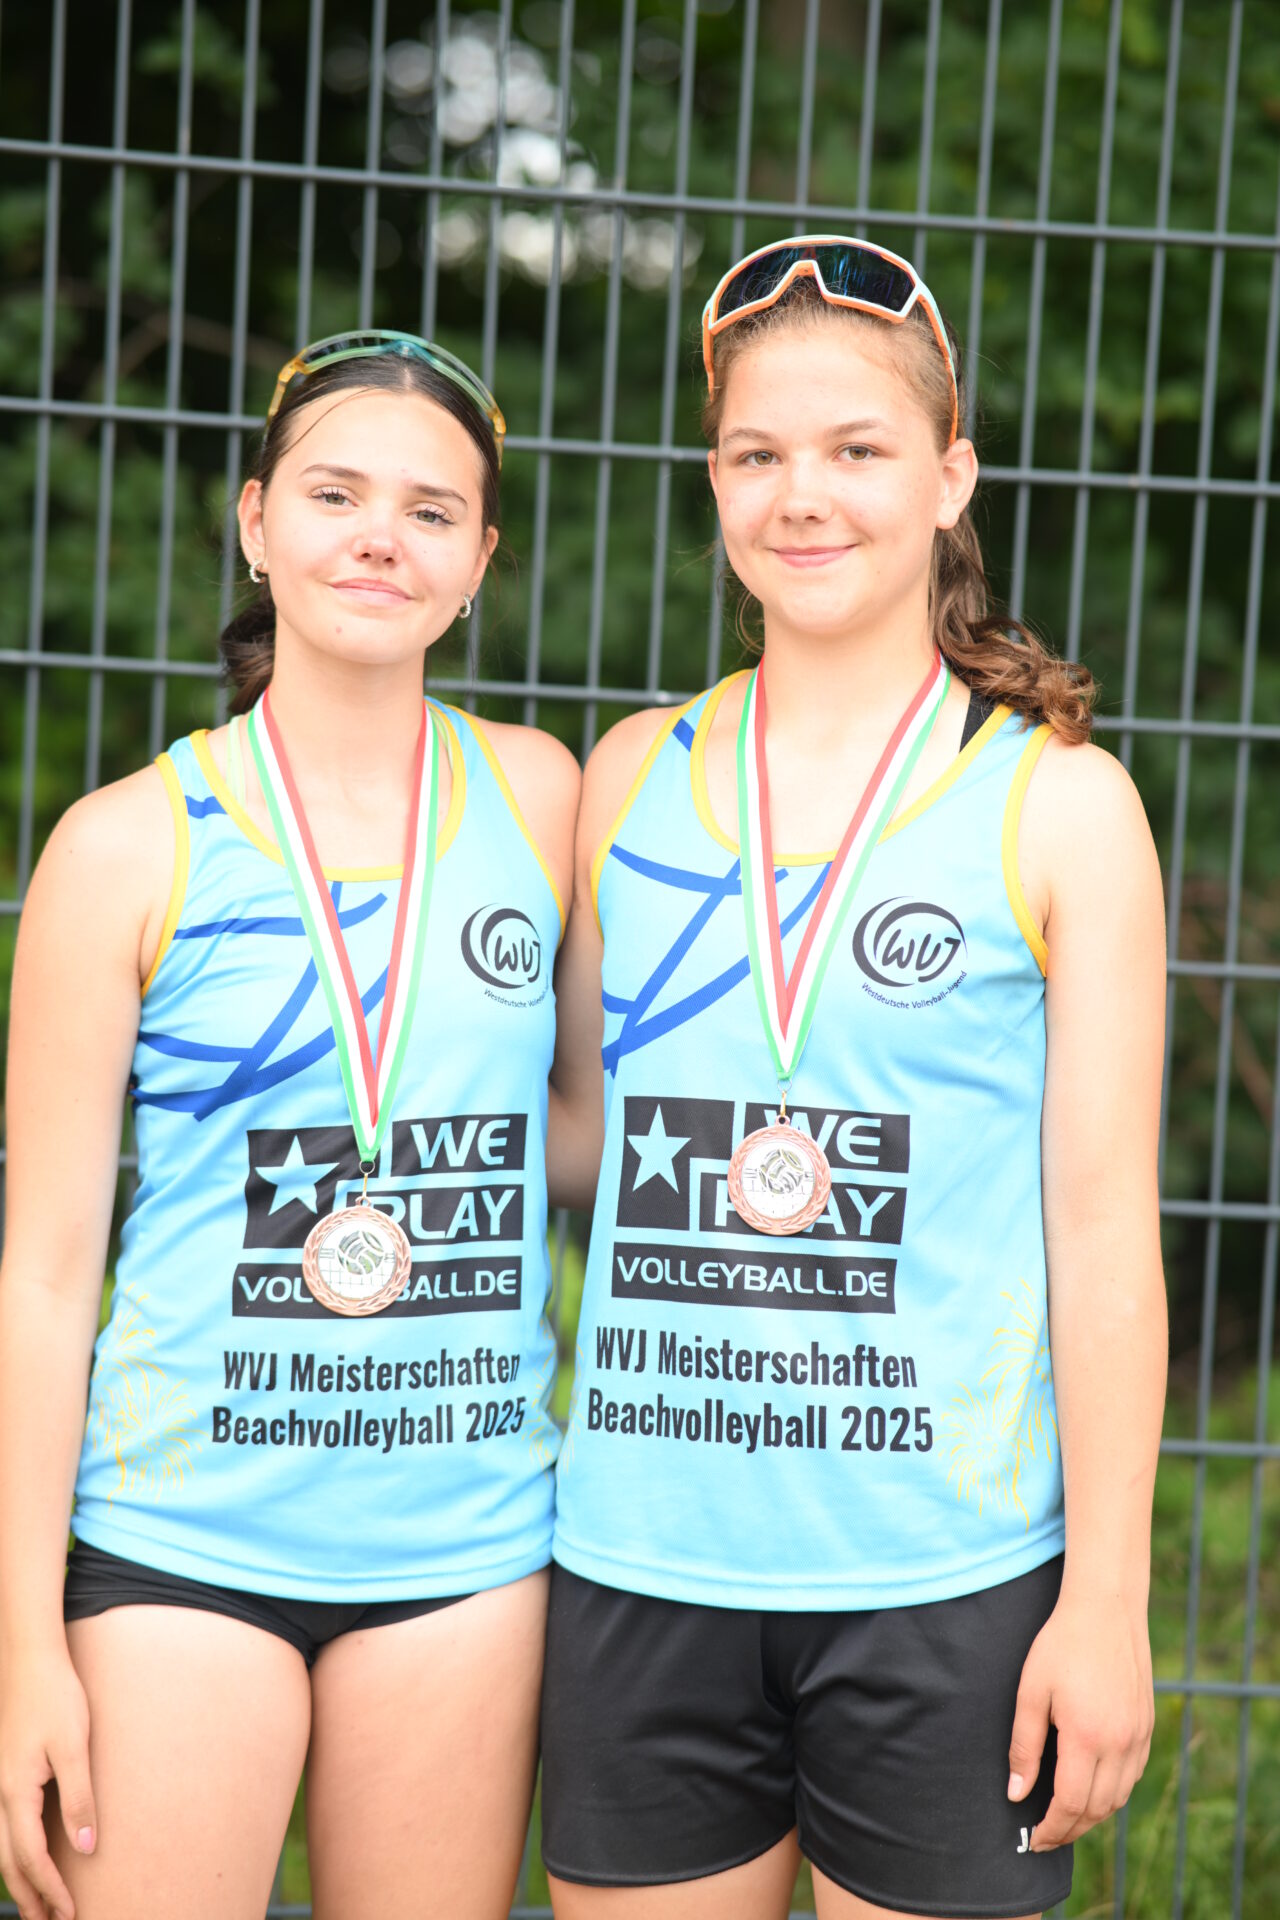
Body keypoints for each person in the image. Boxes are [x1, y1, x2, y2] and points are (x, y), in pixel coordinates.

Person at [543, 238, 1167, 1920]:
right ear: (716, 482)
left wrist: (1106, 1600)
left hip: (945, 1582)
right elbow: (577, 1140)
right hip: (641, 1564)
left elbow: (1105, 1234)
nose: (801, 494)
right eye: (757, 453)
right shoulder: (627, 777)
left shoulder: (1060, 804)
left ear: (950, 478)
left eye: (856, 449)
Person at [0, 330, 579, 1920]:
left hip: (465, 1550)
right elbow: (43, 1274)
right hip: (183, 1542)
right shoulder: (121, 847)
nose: (381, 537)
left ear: (480, 561)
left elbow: (584, 1131)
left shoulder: (540, 798)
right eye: (336, 494)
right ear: (256, 521)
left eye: (431, 510)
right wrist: (20, 1644)